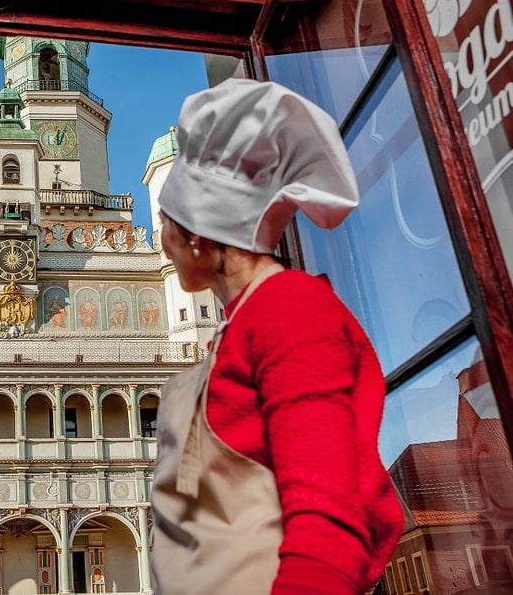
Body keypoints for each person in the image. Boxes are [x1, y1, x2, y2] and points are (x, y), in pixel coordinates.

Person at [151, 79, 403, 594]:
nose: (162, 242)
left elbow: (327, 524)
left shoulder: (288, 311)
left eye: (165, 223)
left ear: (198, 235)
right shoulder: (238, 326)